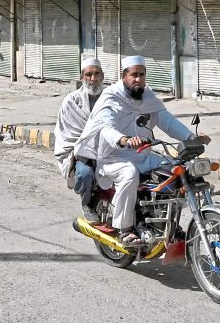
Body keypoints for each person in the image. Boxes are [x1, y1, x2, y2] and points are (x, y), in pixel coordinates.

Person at [75, 55, 206, 248]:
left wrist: (190, 137)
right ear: (124, 76)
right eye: (134, 75)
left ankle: (167, 223)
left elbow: (166, 121)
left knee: (176, 170)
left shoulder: (147, 97)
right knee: (129, 174)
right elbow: (105, 126)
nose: (138, 79)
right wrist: (124, 139)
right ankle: (124, 229)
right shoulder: (111, 96)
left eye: (141, 75)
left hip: (143, 155)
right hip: (113, 157)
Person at [53, 57, 106, 221]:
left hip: (111, 148)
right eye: (88, 74)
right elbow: (66, 133)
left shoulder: (111, 96)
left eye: (96, 74)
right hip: (82, 152)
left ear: (102, 76)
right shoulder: (71, 101)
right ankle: (87, 204)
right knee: (84, 174)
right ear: (82, 76)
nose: (93, 79)